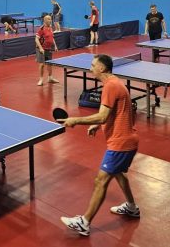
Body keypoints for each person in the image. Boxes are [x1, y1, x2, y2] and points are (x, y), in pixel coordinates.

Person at [59, 54, 140, 237]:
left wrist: (75, 120)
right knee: (118, 174)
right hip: (126, 139)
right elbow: (120, 112)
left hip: (121, 143)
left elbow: (103, 116)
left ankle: (84, 222)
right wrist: (98, 125)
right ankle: (131, 207)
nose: (90, 68)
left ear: (102, 68)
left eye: (93, 65)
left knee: (100, 181)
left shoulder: (110, 86)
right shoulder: (115, 83)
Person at [35, 15, 58, 86]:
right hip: (41, 49)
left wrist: (55, 46)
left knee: (49, 64)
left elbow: (52, 37)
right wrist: (41, 48)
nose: (50, 20)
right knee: (42, 64)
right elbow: (36, 39)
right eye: (48, 19)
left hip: (49, 48)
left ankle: (50, 78)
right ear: (44, 20)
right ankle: (41, 79)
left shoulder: (50, 27)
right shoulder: (41, 29)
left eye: (50, 19)